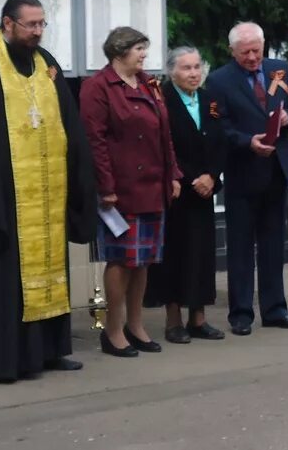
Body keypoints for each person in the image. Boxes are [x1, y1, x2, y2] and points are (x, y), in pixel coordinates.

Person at [0, 0, 96, 382]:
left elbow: (69, 125)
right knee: (1, 276)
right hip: (1, 199)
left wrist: (79, 175)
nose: (38, 32)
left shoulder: (47, 66)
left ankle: (48, 350)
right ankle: (0, 358)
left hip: (46, 195)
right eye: (31, 25)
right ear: (8, 23)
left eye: (43, 24)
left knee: (50, 269)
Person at [79, 27, 182, 358]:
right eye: (138, 49)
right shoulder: (97, 88)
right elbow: (94, 141)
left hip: (153, 184)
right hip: (121, 190)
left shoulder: (150, 85)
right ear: (118, 52)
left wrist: (173, 174)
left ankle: (136, 326)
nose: (143, 55)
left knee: (144, 261)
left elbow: (164, 134)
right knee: (121, 260)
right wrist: (105, 187)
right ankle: (112, 330)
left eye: (144, 49)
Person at [207, 22, 288, 336]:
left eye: (257, 51)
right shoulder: (218, 81)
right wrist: (246, 141)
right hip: (242, 172)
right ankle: (240, 313)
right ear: (233, 52)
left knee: (273, 243)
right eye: (245, 53)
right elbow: (218, 126)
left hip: (276, 171)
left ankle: (275, 309)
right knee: (240, 246)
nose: (253, 58)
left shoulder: (280, 70)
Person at [144, 46, 228, 344]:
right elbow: (164, 147)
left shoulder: (209, 99)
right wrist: (192, 177)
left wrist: (212, 175)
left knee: (202, 254)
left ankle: (199, 318)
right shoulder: (162, 100)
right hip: (179, 190)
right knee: (176, 254)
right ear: (171, 71)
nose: (193, 73)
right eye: (186, 68)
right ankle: (173, 320)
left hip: (205, 191)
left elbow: (220, 141)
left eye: (196, 67)